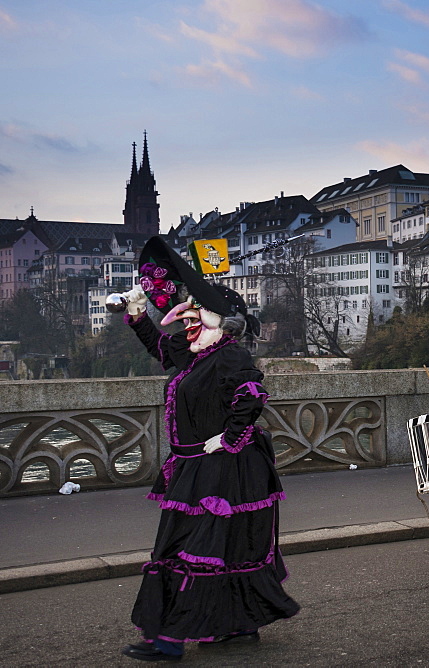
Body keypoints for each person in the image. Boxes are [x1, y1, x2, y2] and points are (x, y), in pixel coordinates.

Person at [120, 237, 299, 662]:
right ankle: (235, 625)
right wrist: (137, 312)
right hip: (195, 466)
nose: (185, 325)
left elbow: (252, 396)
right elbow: (161, 349)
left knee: (193, 550)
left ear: (221, 322)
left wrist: (230, 438)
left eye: (195, 317)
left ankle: (167, 640)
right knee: (221, 548)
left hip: (225, 468)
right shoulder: (195, 354)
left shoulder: (230, 355)